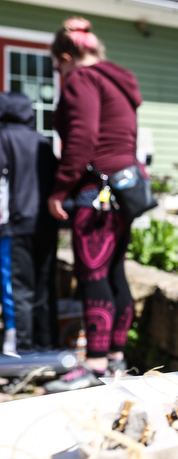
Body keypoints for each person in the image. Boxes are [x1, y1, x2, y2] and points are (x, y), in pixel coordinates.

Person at [44, 17, 141, 392]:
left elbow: (82, 141)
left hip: (94, 193)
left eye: (57, 65)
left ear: (68, 57)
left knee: (93, 277)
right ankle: (116, 361)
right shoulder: (119, 82)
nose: (59, 72)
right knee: (115, 273)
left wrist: (58, 190)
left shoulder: (83, 80)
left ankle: (95, 366)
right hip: (123, 191)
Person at [0, 91, 59, 356]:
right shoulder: (42, 141)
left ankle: (21, 349)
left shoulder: (2, 138)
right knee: (44, 286)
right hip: (47, 225)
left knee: (18, 288)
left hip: (15, 225)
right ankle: (47, 345)